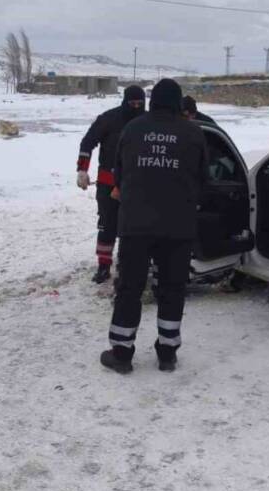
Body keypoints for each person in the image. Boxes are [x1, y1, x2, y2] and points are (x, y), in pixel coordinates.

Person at [101, 78, 207, 374]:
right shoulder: (193, 132)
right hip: (178, 227)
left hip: (136, 226)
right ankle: (167, 353)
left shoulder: (132, 129)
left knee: (129, 288)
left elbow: (118, 175)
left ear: (152, 101)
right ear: (177, 102)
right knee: (172, 289)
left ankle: (121, 353)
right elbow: (204, 178)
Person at [77, 84, 146, 283]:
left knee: (133, 228)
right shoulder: (108, 119)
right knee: (107, 225)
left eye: (139, 103)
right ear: (124, 101)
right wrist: (82, 169)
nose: (135, 106)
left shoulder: (148, 121)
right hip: (108, 183)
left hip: (138, 185)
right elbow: (87, 143)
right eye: (131, 103)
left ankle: (129, 265)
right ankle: (103, 266)